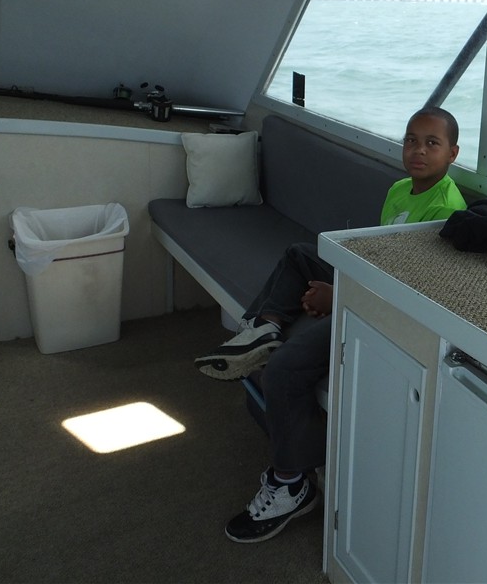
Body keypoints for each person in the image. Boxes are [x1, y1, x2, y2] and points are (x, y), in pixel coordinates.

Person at [195, 107, 466, 544]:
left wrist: (337, 296)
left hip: (389, 314)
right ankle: (263, 329)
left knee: (283, 370)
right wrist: (340, 284)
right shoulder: (400, 188)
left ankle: (290, 485)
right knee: (300, 254)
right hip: (372, 285)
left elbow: (407, 297)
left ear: (452, 153)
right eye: (411, 140)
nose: (418, 150)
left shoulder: (445, 211)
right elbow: (380, 261)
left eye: (431, 143)